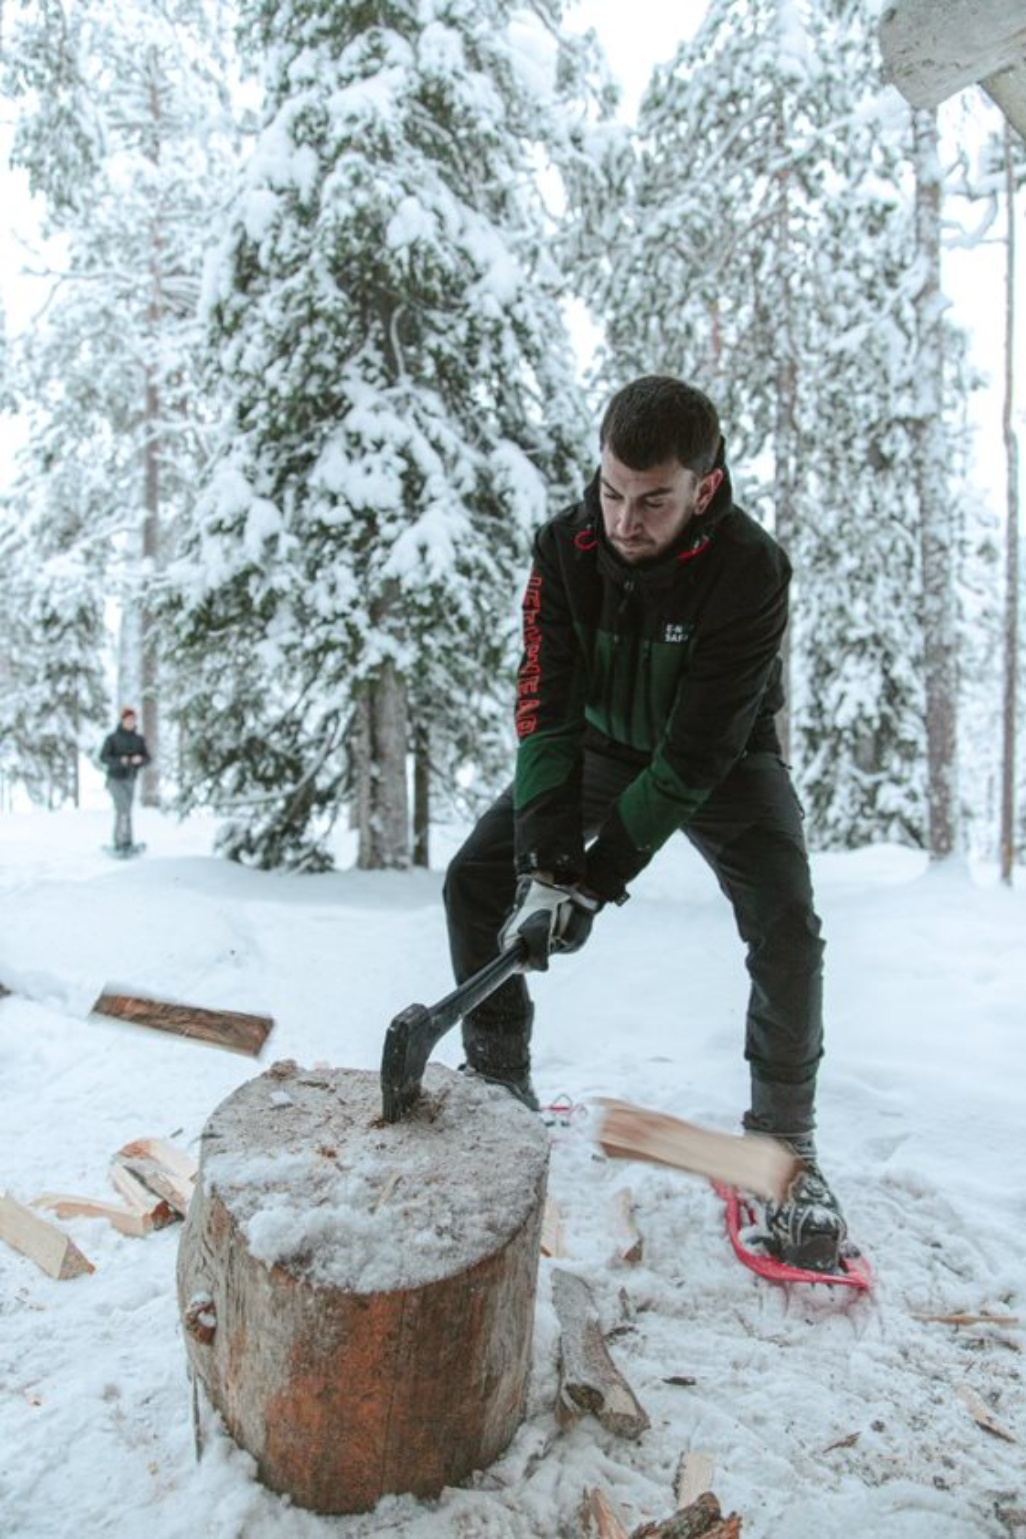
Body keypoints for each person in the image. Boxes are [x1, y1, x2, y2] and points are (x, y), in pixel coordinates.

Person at [443, 375, 846, 1272]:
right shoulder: (564, 544)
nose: (625, 519)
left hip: (726, 758)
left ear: (704, 487)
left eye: (653, 500)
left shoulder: (750, 568)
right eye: (612, 491)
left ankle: (784, 1147)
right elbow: (545, 712)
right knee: (475, 876)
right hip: (596, 745)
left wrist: (596, 878)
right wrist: (548, 862)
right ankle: (500, 1078)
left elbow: (696, 756)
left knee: (788, 925)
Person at [99, 706, 150, 855]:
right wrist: (119, 760)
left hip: (130, 779)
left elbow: (147, 758)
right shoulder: (112, 738)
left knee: (127, 811)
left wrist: (139, 759)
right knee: (122, 810)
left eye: (133, 720)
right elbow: (103, 757)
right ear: (122, 721)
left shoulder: (138, 740)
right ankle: (119, 842)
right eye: (127, 720)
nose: (130, 722)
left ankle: (127, 841)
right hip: (115, 779)